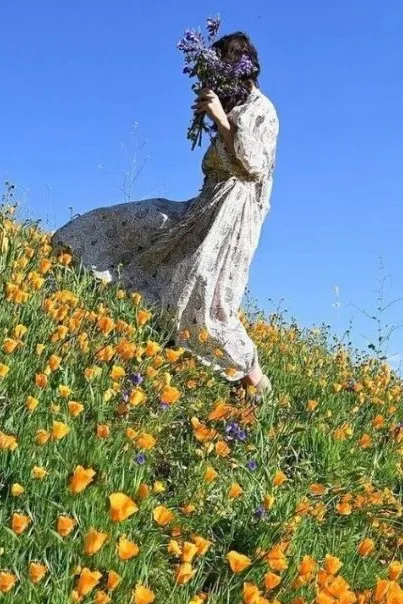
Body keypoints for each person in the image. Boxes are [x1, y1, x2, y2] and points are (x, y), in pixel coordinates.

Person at [52, 32, 279, 393]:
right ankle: (73, 255)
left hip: (232, 215)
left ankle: (253, 380)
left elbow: (251, 165)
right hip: (209, 203)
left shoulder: (261, 109)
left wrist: (220, 118)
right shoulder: (238, 107)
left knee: (206, 296)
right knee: (150, 224)